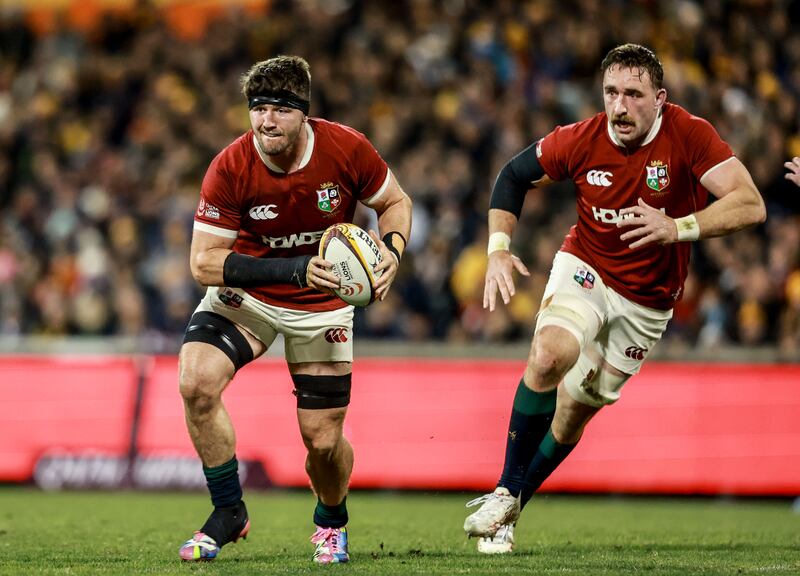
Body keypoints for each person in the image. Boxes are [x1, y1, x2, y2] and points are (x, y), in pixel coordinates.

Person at [463, 43, 766, 554]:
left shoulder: (689, 135)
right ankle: (503, 492)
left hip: (647, 302)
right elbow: (513, 177)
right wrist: (498, 249)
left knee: (572, 414)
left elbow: (750, 203)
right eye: (610, 93)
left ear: (660, 99)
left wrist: (678, 227)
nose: (619, 107)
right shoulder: (579, 139)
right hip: (588, 267)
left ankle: (511, 507)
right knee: (548, 355)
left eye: (632, 94)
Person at [177, 55, 412, 564]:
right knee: (196, 381)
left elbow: (395, 202)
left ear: (304, 113)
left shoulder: (346, 148)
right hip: (251, 297)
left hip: (324, 302)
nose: (266, 121)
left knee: (322, 439)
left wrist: (391, 250)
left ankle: (331, 522)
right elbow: (203, 263)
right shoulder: (231, 165)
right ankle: (228, 511)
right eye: (257, 109)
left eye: (279, 110)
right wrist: (290, 269)